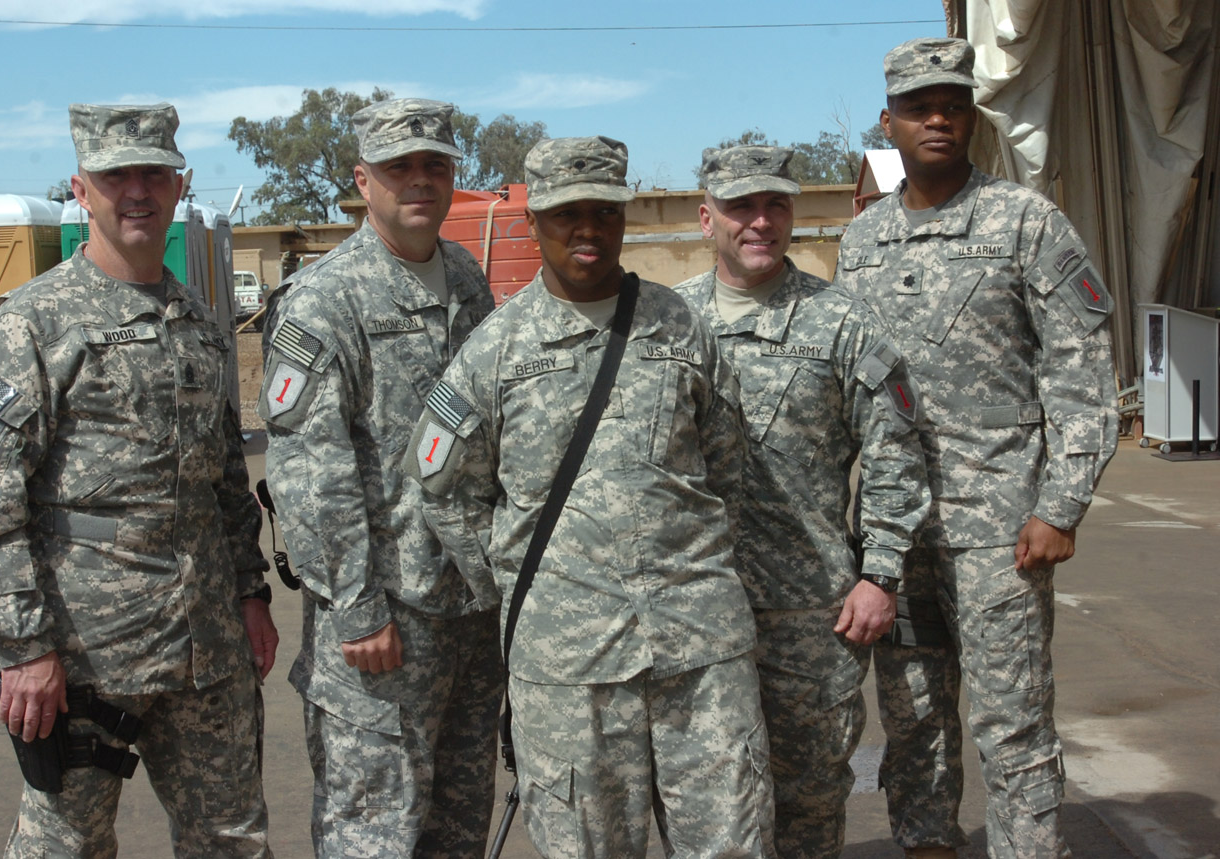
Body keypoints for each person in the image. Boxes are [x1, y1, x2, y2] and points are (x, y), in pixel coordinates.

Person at [402, 135, 775, 859]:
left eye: (604, 211)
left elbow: (730, 468)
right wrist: (522, 587)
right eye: (566, 213)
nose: (588, 229)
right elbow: (442, 485)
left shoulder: (681, 325)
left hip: (700, 652)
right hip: (567, 671)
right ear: (533, 222)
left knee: (733, 842)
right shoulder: (495, 348)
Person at [0, 102, 277, 857]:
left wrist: (252, 592)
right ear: (80, 189)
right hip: (86, 652)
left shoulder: (196, 321)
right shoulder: (32, 323)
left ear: (178, 184)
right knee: (66, 845)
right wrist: (24, 646)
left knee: (233, 841)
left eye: (153, 173)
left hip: (204, 649)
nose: (137, 191)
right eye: (115, 175)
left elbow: (223, 475)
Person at [834, 37, 1119, 858]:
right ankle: (927, 845)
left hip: (1002, 534)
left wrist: (1061, 503)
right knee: (914, 718)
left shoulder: (1024, 221)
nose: (937, 118)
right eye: (919, 106)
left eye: (952, 104)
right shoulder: (863, 243)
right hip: (897, 536)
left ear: (971, 118)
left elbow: (1080, 368)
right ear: (887, 122)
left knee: (1012, 719)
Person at [258, 97, 502, 858]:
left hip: (468, 610)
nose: (420, 182)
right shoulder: (326, 300)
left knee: (457, 825)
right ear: (364, 181)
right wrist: (358, 609)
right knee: (375, 833)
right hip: (383, 623)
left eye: (436, 165)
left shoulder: (466, 277)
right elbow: (310, 472)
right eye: (401, 168)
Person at [675, 145, 931, 859]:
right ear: (706, 219)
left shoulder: (843, 322)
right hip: (692, 608)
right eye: (741, 207)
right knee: (704, 800)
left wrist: (880, 572)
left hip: (810, 615)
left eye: (776, 205)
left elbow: (895, 450)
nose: (760, 221)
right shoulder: (666, 323)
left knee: (811, 798)